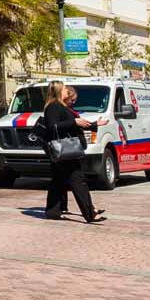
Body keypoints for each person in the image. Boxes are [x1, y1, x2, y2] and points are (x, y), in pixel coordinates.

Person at [43, 82, 105, 223]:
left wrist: (94, 125)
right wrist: (74, 123)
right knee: (78, 180)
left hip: (66, 150)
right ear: (59, 91)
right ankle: (90, 213)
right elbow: (52, 127)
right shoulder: (53, 107)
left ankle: (53, 211)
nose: (67, 90)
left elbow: (75, 124)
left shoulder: (62, 107)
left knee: (58, 181)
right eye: (65, 88)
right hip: (65, 150)